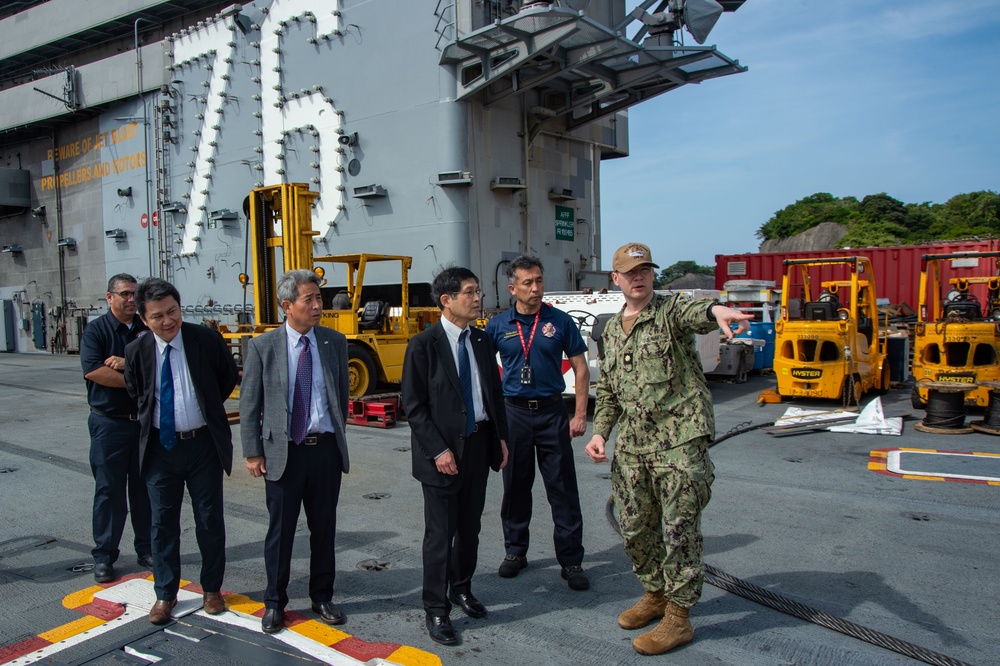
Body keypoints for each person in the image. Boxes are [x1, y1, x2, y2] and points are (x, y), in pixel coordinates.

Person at [583, 242, 752, 656]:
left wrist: (718, 312)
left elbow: (696, 313)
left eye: (646, 270)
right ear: (616, 279)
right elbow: (608, 390)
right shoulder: (609, 329)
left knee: (679, 530)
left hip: (679, 443)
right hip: (634, 449)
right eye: (630, 271)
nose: (639, 277)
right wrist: (601, 431)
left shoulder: (669, 311)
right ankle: (655, 593)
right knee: (636, 527)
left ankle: (678, 617)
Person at [402, 267, 509, 646]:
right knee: (440, 534)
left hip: (479, 446)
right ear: (446, 301)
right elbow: (413, 407)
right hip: (442, 454)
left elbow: (493, 396)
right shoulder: (423, 345)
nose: (477, 298)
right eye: (469, 292)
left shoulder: (480, 341)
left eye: (477, 291)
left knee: (470, 528)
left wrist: (501, 439)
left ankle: (461, 588)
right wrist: (439, 450)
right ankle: (436, 608)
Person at [240, 269, 351, 635]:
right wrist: (254, 452)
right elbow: (249, 403)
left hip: (325, 452)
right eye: (310, 300)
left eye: (319, 298)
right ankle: (275, 602)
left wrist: (336, 440)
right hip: (283, 453)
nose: (318, 305)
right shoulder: (263, 346)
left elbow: (340, 397)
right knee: (281, 531)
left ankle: (322, 596)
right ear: (288, 306)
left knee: (324, 529)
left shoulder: (334, 342)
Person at [124, 278, 239, 625]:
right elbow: (136, 390)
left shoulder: (204, 339)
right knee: (162, 524)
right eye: (158, 315)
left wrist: (198, 407)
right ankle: (165, 594)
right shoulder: (136, 351)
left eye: (172, 311)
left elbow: (227, 378)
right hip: (161, 448)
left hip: (203, 445)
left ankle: (212, 589)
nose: (168, 320)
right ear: (145, 319)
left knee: (209, 519)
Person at [485, 255, 590, 590]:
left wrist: (579, 414)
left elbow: (582, 368)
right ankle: (515, 552)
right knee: (515, 486)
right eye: (528, 283)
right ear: (512, 287)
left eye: (539, 281)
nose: (535, 288)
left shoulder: (559, 321)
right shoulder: (498, 326)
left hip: (551, 413)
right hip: (512, 412)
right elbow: (485, 375)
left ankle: (571, 561)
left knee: (562, 489)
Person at [80, 274, 153, 583]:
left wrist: (127, 365)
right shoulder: (96, 330)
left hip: (144, 425)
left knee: (144, 491)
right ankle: (105, 556)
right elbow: (95, 372)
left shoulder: (146, 328)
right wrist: (139, 379)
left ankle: (147, 549)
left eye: (134, 294)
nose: (130, 299)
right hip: (109, 426)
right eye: (124, 294)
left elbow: (159, 366)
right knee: (109, 492)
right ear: (109, 297)